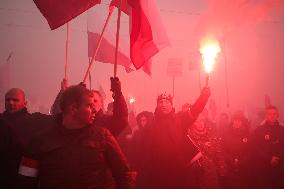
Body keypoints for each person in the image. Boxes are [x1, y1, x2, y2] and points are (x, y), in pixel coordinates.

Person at [18, 85, 135, 189]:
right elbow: (26, 179)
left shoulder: (103, 136)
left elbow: (124, 174)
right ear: (73, 108)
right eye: (89, 105)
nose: (94, 110)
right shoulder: (40, 139)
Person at [138, 86, 210, 189]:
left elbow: (195, 110)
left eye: (167, 102)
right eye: (161, 102)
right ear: (157, 105)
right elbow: (144, 149)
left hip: (178, 172)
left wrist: (204, 96)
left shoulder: (180, 119)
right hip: (156, 174)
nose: (163, 105)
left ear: (171, 105)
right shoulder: (151, 124)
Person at [0, 88, 48, 189]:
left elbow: (61, 118)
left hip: (25, 179)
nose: (11, 102)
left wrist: (64, 94)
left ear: (25, 103)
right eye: (8, 100)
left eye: (15, 100)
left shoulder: (35, 121)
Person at [51, 77, 128, 137]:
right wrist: (73, 95)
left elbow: (121, 120)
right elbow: (57, 115)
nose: (92, 104)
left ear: (101, 104)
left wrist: (118, 94)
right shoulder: (78, 120)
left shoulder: (107, 122)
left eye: (95, 101)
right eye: (89, 101)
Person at [188, 115, 227, 189]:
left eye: (202, 121)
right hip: (198, 176)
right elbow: (189, 159)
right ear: (193, 123)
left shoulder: (211, 135)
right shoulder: (190, 138)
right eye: (197, 122)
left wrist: (222, 172)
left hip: (212, 174)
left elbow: (219, 154)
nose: (200, 124)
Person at [251, 105, 284, 189]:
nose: (272, 116)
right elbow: (255, 147)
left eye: (274, 114)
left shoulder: (282, 130)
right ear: (266, 116)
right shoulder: (259, 130)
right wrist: (269, 158)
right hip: (263, 169)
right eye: (269, 114)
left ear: (278, 115)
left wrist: (278, 157)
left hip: (280, 169)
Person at [222, 111, 252, 189]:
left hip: (244, 168)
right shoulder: (226, 134)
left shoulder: (247, 134)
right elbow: (223, 149)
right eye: (236, 120)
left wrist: (242, 161)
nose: (237, 123)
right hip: (230, 167)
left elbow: (250, 150)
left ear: (242, 122)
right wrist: (231, 160)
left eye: (239, 120)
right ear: (233, 121)